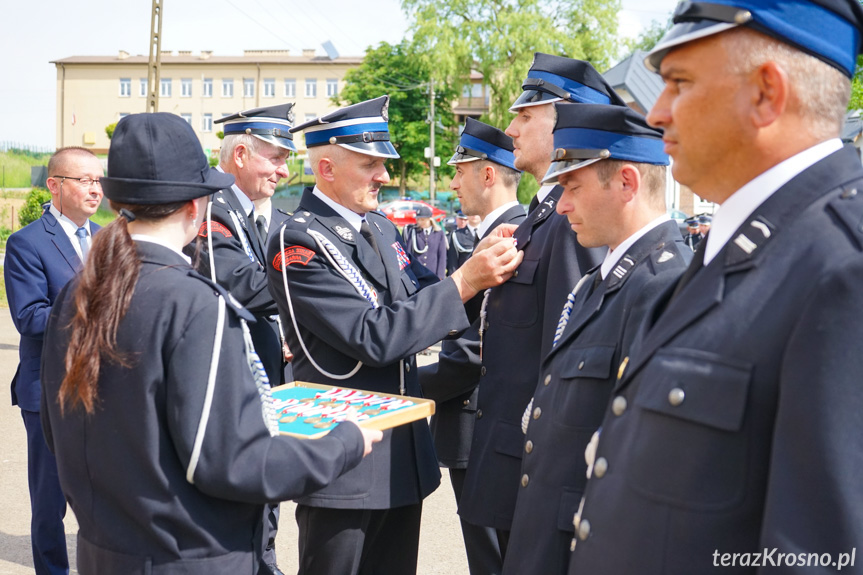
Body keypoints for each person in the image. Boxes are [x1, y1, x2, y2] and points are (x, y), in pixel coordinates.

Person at [567, 1, 863, 573]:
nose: (656, 113)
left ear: (765, 93)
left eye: (678, 83)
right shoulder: (750, 237)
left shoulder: (843, 269)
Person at [39, 112, 381, 575]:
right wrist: (343, 443)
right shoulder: (193, 303)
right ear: (195, 206)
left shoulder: (79, 292)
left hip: (106, 554)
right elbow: (232, 463)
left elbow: (59, 434)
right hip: (191, 557)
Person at [266, 96, 523, 575]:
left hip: (401, 456)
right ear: (326, 167)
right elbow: (372, 336)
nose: (383, 177)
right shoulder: (298, 240)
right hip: (344, 462)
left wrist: (479, 269)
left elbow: (427, 295)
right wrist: (467, 279)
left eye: (383, 165)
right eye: (370, 165)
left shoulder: (380, 227)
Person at [503, 103, 691, 575]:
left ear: (627, 182)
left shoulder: (666, 287)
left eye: (572, 185)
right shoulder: (597, 282)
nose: (561, 204)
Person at [454, 54, 612, 569]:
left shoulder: (571, 221)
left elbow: (568, 365)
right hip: (502, 462)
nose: (511, 128)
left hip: (527, 474)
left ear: (564, 117)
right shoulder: (541, 219)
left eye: (525, 116)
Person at [420, 117, 525, 575]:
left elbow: (475, 350)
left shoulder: (516, 235)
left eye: (460, 170)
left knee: (493, 558)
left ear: (487, 174)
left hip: (483, 425)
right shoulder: (497, 233)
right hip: (480, 423)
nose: (452, 182)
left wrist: (401, 384)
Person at [195, 103, 297, 575]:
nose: (283, 169)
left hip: (263, 375)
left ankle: (265, 560)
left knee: (264, 493)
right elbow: (240, 284)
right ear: (239, 153)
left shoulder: (252, 211)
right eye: (274, 157)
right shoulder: (211, 208)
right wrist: (318, 286)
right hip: (230, 380)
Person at [5, 146, 104, 575]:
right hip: (49, 390)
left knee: (101, 494)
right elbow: (30, 318)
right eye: (84, 180)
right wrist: (94, 305)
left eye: (98, 180)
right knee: (50, 499)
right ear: (55, 185)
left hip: (103, 388)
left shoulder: (106, 238)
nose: (94, 189)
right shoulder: (26, 243)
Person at [403, 204, 447, 279]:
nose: (420, 222)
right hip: (417, 273)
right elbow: (409, 252)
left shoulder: (439, 233)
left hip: (433, 272)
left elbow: (442, 255)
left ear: (429, 219)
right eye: (418, 219)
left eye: (423, 220)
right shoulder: (414, 232)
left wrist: (440, 275)